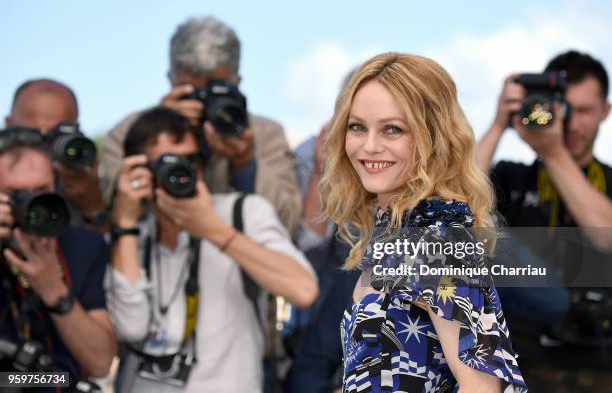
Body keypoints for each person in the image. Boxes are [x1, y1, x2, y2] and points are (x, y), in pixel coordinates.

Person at [319, 52, 527, 392]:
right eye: (357, 127)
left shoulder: (436, 241)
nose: (369, 146)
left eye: (393, 129)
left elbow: (484, 388)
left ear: (434, 136)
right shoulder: (397, 233)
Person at [106, 107, 317, 392]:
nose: (178, 172)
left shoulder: (243, 212)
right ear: (138, 171)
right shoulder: (132, 233)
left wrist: (210, 229)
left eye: (189, 161)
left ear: (204, 165)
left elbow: (303, 290)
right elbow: (131, 327)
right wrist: (126, 224)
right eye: (163, 164)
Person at [476, 50, 612, 390]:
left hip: (599, 369)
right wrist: (497, 126)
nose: (572, 123)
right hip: (520, 366)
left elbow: (607, 235)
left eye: (583, 111)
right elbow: (451, 205)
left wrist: (553, 153)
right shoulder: (512, 177)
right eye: (563, 109)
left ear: (605, 112)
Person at [100, 16, 302, 234]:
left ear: (237, 82)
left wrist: (244, 165)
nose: (203, 104)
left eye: (214, 91)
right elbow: (112, 218)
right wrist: (157, 133)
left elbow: (288, 225)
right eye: (191, 92)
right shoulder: (126, 134)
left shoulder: (265, 134)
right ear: (171, 80)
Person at [0, 128, 115, 387]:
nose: (32, 205)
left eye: (42, 191)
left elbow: (100, 363)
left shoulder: (83, 245)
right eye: (16, 195)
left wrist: (53, 290)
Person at [5, 79, 109, 230]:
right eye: (35, 136)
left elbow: (102, 250)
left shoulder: (89, 182)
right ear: (9, 125)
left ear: (76, 129)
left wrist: (94, 208)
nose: (47, 148)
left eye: (57, 136)